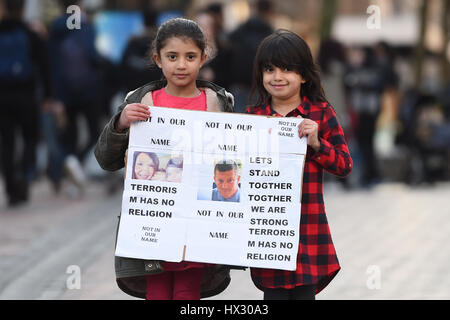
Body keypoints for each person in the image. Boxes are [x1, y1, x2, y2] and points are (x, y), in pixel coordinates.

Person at [94, 18, 234, 300]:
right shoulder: (142, 101)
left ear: (203, 58)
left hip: (197, 226)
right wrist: (120, 124)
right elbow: (106, 159)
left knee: (187, 294)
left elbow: (233, 160)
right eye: (172, 57)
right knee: (156, 293)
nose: (181, 65)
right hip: (153, 227)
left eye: (190, 57)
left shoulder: (216, 102)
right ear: (158, 59)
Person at [245, 29, 353, 300]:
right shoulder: (252, 116)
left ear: (304, 75)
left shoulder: (321, 112)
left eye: (287, 69)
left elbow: (344, 165)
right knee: (274, 295)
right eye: (269, 69)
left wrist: (317, 144)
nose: (277, 77)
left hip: (308, 227)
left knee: (305, 294)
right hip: (269, 228)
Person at [0, 0, 51, 206]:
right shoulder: (31, 34)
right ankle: (23, 174)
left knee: (7, 142)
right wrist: (48, 96)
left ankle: (11, 187)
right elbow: (44, 66)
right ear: (22, 9)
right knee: (30, 138)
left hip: (2, 97)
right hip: (26, 96)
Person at [228, 0, 274, 112]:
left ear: (255, 9)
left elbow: (228, 42)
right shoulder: (271, 33)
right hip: (261, 87)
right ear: (269, 12)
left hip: (239, 84)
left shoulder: (242, 28)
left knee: (237, 120)